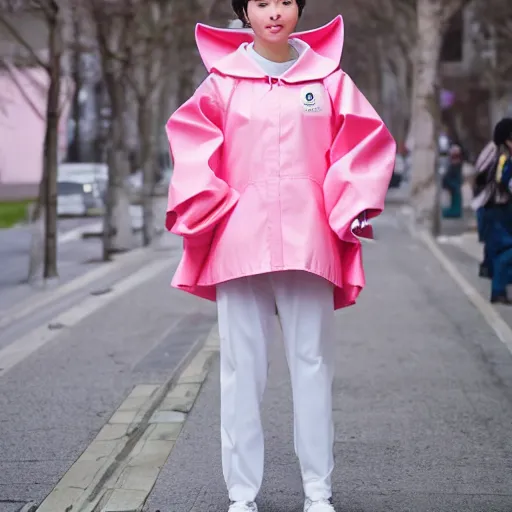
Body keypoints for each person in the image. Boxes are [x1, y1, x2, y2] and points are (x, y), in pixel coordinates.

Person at [164, 1, 396, 511]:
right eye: (262, 2)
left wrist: (352, 204)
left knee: (312, 365)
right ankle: (241, 497)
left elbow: (363, 143)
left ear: (300, 7)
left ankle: (318, 493)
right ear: (244, 11)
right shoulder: (222, 83)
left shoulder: (330, 81)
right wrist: (214, 204)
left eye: (285, 1)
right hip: (238, 240)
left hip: (309, 239)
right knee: (241, 370)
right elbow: (191, 144)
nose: (275, 12)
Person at [442, 144, 463, 218]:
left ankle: (454, 212)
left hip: (454, 187)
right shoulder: (453, 166)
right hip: (453, 187)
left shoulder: (455, 166)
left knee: (455, 202)